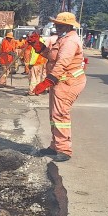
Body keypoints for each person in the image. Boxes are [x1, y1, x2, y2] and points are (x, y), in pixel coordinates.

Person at [27, 12, 86, 162]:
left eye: (60, 25)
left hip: (68, 83)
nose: (56, 27)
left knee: (60, 115)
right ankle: (55, 146)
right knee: (54, 116)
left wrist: (47, 81)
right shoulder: (62, 39)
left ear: (68, 25)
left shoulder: (70, 41)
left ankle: (64, 150)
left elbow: (62, 63)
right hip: (60, 82)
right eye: (56, 24)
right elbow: (51, 56)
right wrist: (38, 46)